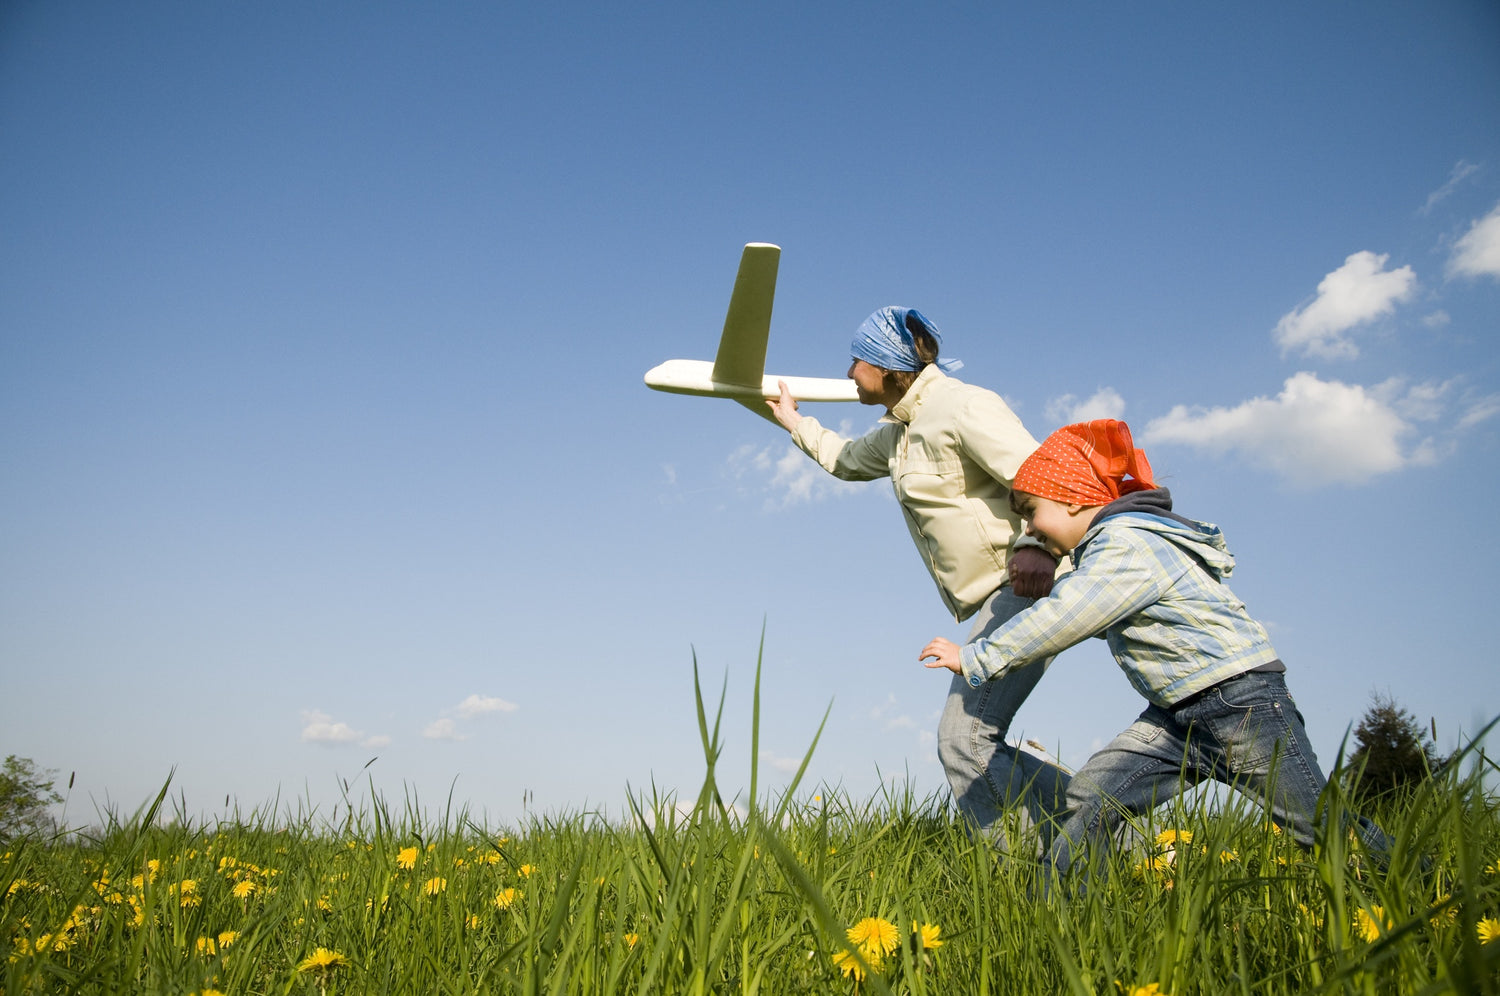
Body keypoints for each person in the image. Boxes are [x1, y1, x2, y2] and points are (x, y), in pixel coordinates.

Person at [919, 419, 1387, 876]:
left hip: (1241, 704)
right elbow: (1102, 615)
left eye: (1031, 511)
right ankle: (1060, 913)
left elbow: (1070, 614)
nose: (1030, 528)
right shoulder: (1113, 553)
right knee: (1093, 796)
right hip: (1176, 716)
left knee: (1318, 828)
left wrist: (976, 655)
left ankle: (1423, 885)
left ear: (1074, 499)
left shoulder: (1126, 546)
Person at [767, 306, 1070, 841]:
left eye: (856, 360)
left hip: (1024, 585)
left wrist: (1038, 544)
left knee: (964, 740)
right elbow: (843, 459)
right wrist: (792, 419)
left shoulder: (963, 405)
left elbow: (1040, 472)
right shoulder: (896, 434)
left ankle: (1031, 878)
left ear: (886, 366)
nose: (848, 373)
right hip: (1000, 594)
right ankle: (1104, 819)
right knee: (976, 740)